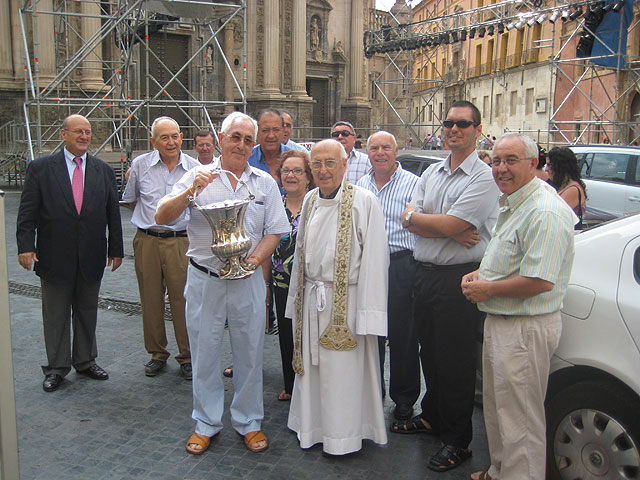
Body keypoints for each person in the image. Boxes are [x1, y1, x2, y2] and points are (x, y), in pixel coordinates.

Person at [155, 111, 289, 455]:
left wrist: (254, 261)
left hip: (248, 281)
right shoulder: (196, 176)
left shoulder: (263, 182)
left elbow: (275, 230)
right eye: (235, 137)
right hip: (205, 280)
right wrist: (190, 191)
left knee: (250, 352)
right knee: (204, 353)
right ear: (220, 137)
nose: (241, 144)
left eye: (248, 139)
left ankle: (248, 421)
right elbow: (162, 216)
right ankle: (206, 422)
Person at [462, 133, 576, 480]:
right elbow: (514, 258)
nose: (501, 168)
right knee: (501, 413)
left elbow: (541, 280)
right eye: (496, 161)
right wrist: (481, 273)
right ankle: (500, 472)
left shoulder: (544, 211)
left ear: (533, 163)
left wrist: (488, 288)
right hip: (505, 322)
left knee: (521, 422)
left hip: (524, 329)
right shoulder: (518, 202)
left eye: (511, 160)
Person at [396, 101, 499, 473]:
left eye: (463, 124)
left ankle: (458, 441)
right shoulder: (433, 172)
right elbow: (416, 219)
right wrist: (431, 222)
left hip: (460, 279)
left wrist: (422, 220)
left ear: (477, 129)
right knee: (430, 354)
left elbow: (449, 223)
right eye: (449, 123)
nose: (454, 129)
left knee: (456, 362)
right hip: (423, 273)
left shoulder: (483, 177)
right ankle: (432, 417)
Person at [286, 139, 389, 455]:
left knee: (343, 376)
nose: (323, 170)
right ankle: (313, 427)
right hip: (314, 299)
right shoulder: (310, 201)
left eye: (330, 162)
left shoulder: (364, 201)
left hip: (348, 304)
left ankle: (343, 437)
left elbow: (375, 258)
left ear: (345, 165)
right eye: (316, 163)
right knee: (315, 372)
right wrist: (296, 302)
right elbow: (301, 254)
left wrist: (369, 315)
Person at [16, 114, 124, 392]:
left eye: (87, 132)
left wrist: (116, 249)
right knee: (56, 314)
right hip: (54, 255)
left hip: (91, 254)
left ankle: (86, 360)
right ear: (63, 135)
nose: (84, 137)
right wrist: (26, 246)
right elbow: (27, 212)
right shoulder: (41, 169)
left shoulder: (103, 170)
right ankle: (56, 367)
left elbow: (113, 213)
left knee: (88, 311)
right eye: (78, 132)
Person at [121, 116, 199, 379]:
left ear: (181, 137)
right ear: (153, 141)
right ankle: (157, 353)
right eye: (164, 137)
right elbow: (131, 201)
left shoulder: (194, 168)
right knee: (151, 298)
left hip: (181, 242)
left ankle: (187, 355)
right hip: (148, 241)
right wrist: (149, 224)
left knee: (183, 300)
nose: (171, 142)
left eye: (175, 136)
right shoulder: (140, 165)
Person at [356, 131, 420, 421]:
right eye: (374, 148)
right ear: (367, 152)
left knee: (403, 334)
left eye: (386, 147)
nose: (380, 152)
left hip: (401, 265)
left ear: (396, 151)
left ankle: (404, 398)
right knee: (370, 332)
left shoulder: (415, 185)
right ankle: (371, 393)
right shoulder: (359, 185)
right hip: (366, 266)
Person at [270, 150, 314, 401]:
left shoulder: (317, 203)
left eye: (298, 170)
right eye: (286, 170)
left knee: (309, 334)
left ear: (308, 176)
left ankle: (310, 384)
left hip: (310, 283)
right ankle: (291, 384)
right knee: (286, 333)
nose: (291, 175)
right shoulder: (274, 204)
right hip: (281, 282)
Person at [546, 146, 587, 229]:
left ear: (560, 167)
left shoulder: (573, 190)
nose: (546, 169)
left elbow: (552, 214)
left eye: (549, 165)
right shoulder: (564, 186)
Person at [249, 109, 291, 181]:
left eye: (276, 130)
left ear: (283, 131)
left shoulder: (295, 158)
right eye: (265, 130)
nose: (271, 135)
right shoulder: (247, 159)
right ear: (257, 132)